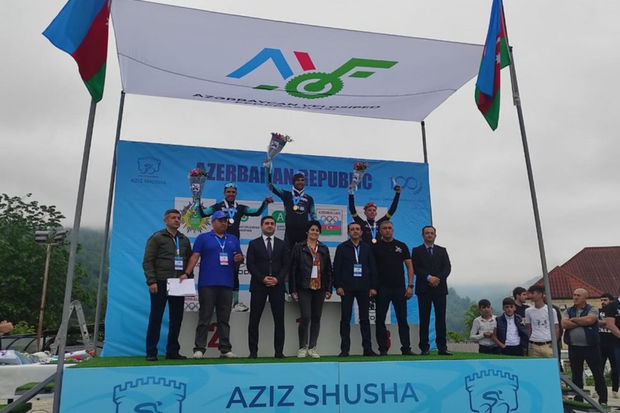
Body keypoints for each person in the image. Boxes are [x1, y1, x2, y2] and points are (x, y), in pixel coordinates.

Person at [195, 182, 273, 311]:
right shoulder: (217, 207)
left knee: (235, 273)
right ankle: (210, 303)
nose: (231, 194)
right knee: (215, 270)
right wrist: (197, 201)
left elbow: (256, 212)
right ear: (224, 193)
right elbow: (203, 214)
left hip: (233, 243)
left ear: (236, 193)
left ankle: (236, 303)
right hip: (218, 243)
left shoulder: (240, 207)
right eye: (228, 192)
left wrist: (265, 203)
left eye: (233, 192)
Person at [185, 211, 244, 359]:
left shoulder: (233, 239)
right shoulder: (203, 238)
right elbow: (194, 257)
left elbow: (239, 257)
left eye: (225, 221)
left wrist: (239, 259)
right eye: (220, 220)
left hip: (227, 284)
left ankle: (225, 349)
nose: (224, 223)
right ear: (213, 222)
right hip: (207, 283)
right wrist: (186, 273)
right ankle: (199, 348)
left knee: (224, 319)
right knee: (204, 317)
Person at [142, 209, 193, 361]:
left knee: (176, 319)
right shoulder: (157, 237)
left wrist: (187, 275)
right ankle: (151, 352)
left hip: (178, 283)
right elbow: (148, 261)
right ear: (165, 220)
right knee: (156, 317)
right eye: (173, 218)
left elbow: (189, 260)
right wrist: (151, 281)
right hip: (160, 281)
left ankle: (172, 351)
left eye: (178, 218)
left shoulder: (184, 239)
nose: (176, 220)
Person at [334, 222, 379, 357]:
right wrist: (338, 286)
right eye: (352, 229)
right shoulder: (342, 247)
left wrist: (373, 286)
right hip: (346, 288)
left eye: (357, 229)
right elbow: (336, 268)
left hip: (364, 287)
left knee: (365, 319)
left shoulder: (367, 248)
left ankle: (367, 349)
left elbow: (373, 268)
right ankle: (345, 350)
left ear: (361, 232)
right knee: (345, 318)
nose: (355, 231)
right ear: (348, 232)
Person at [289, 220, 332, 358]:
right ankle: (302, 347)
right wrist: (292, 289)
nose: (315, 232)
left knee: (316, 317)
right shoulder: (299, 247)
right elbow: (293, 269)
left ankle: (313, 347)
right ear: (307, 231)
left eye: (317, 230)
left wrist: (329, 288)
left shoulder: (324, 248)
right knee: (306, 316)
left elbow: (329, 270)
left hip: (320, 287)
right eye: (312, 230)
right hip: (304, 286)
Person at [246, 216, 288, 358]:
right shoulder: (253, 244)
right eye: (267, 223)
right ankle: (253, 352)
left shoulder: (282, 244)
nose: (269, 225)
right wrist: (262, 278)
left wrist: (277, 279)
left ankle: (279, 352)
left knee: (279, 320)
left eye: (272, 223)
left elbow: (286, 265)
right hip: (259, 286)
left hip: (277, 286)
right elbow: (250, 264)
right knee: (254, 320)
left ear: (275, 226)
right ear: (261, 226)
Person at [372, 220, 415, 356]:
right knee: (380, 319)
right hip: (381, 289)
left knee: (402, 319)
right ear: (380, 231)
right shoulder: (375, 247)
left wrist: (410, 286)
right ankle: (383, 349)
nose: (387, 230)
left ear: (393, 230)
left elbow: (409, 266)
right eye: (384, 228)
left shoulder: (401, 246)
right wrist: (372, 287)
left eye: (390, 228)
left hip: (399, 289)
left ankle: (406, 348)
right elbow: (370, 268)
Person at [411, 225, 452, 356]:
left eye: (431, 233)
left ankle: (442, 347)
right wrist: (429, 278)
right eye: (427, 233)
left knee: (440, 318)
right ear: (422, 235)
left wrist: (437, 278)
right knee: (424, 319)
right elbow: (416, 268)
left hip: (440, 289)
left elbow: (447, 267)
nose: (429, 235)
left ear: (435, 235)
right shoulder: (416, 250)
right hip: (424, 289)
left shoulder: (442, 250)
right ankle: (424, 347)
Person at [562, 288, 607, 405]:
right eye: (574, 295)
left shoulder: (592, 309)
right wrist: (581, 322)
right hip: (574, 347)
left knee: (597, 373)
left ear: (585, 298)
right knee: (576, 374)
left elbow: (590, 320)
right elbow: (564, 324)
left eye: (578, 295)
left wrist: (574, 320)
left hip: (591, 347)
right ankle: (579, 399)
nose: (575, 297)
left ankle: (603, 400)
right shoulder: (568, 310)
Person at [266, 169, 317, 249]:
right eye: (298, 180)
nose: (300, 182)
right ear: (293, 182)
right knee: (287, 256)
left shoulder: (309, 198)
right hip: (289, 235)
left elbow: (314, 216)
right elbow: (270, 186)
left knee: (303, 256)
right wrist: (268, 170)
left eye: (302, 180)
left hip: (304, 235)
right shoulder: (286, 195)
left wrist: (316, 229)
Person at [524, 285, 559, 358]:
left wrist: (554, 343)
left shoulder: (551, 310)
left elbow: (556, 327)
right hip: (533, 344)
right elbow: (528, 327)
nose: (530, 296)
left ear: (540, 294)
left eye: (533, 293)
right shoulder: (528, 311)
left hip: (547, 344)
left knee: (549, 364)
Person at [600, 293, 619, 398]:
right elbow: (594, 321)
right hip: (601, 344)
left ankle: (615, 389)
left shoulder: (614, 310)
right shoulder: (598, 311)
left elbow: (611, 324)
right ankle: (599, 389)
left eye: (605, 300)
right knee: (600, 368)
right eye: (601, 300)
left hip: (613, 343)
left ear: (610, 301)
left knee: (615, 367)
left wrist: (605, 323)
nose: (603, 302)